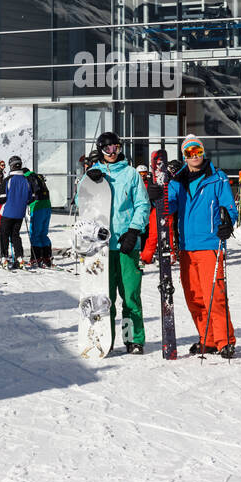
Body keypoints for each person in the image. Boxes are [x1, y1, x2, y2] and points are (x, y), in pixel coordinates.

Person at [168, 134, 238, 358]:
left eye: (197, 150)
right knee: (194, 297)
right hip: (186, 247)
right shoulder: (177, 182)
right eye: (189, 152)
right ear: (184, 156)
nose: (194, 156)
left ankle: (224, 340)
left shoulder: (217, 178)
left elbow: (229, 207)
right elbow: (167, 206)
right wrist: (156, 195)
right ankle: (206, 338)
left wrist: (227, 223)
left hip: (210, 245)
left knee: (214, 296)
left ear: (203, 152)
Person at [83, 131, 150, 354]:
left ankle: (133, 339)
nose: (112, 153)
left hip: (126, 244)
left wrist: (133, 230)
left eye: (116, 148)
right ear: (100, 150)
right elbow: (79, 201)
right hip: (101, 248)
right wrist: (87, 182)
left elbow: (142, 204)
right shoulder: (94, 174)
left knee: (130, 295)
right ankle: (106, 338)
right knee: (105, 297)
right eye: (107, 149)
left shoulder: (131, 174)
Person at [0, 156, 31, 269]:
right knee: (15, 235)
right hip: (20, 213)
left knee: (4, 235)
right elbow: (30, 198)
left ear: (11, 166)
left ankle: (4, 258)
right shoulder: (26, 180)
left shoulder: (8, 180)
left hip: (7, 212)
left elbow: (1, 198)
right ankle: (19, 258)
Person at [25, 167, 53, 267]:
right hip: (47, 205)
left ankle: (36, 258)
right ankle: (47, 257)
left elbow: (28, 194)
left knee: (35, 233)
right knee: (43, 233)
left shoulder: (27, 177)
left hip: (37, 206)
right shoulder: (37, 176)